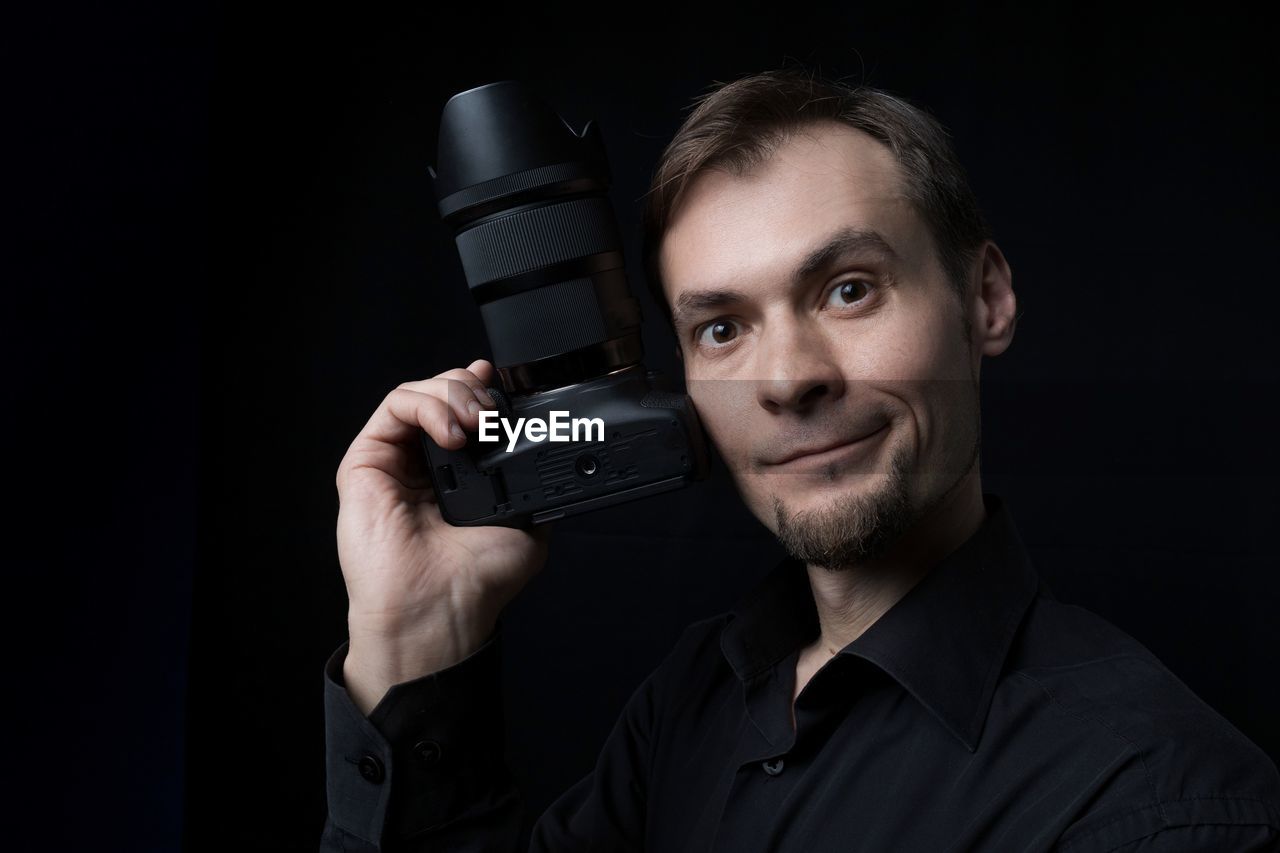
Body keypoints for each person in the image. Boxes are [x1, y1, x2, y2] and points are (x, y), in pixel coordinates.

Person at [318, 68, 1280, 852]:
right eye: (723, 327)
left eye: (850, 289)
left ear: (984, 299)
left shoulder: (1159, 802)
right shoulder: (687, 707)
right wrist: (416, 641)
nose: (786, 380)